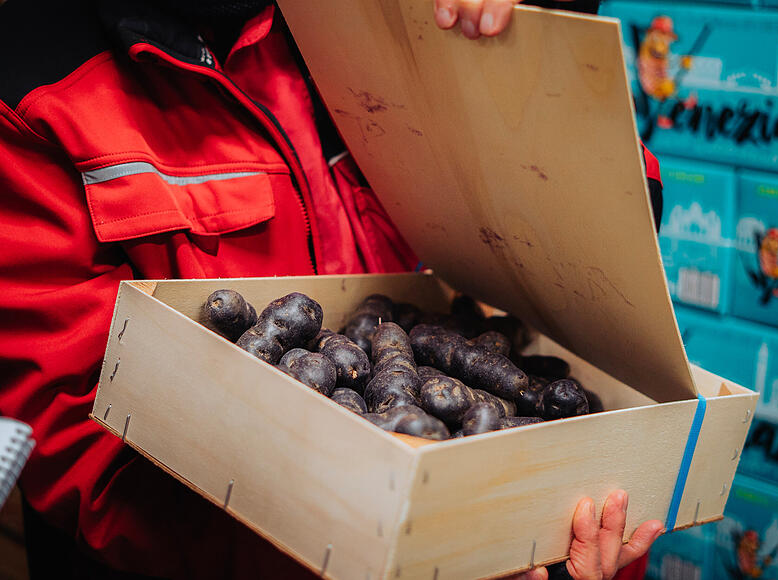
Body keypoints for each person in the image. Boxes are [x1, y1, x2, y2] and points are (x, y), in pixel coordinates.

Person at [0, 0, 664, 578]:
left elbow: (600, 216)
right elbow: (80, 452)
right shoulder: (31, 86)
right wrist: (363, 552)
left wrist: (511, 60)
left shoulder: (387, 16)